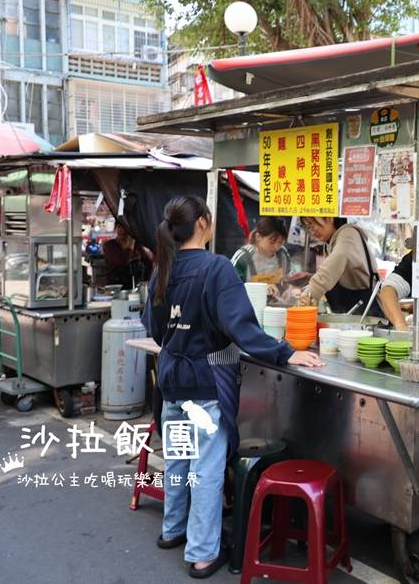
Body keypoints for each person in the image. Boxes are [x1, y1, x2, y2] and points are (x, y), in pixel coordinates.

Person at [142, 195, 322, 578]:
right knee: (206, 468)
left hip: (172, 380)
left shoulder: (163, 269)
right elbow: (242, 328)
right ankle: (204, 552)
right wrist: (285, 352)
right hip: (205, 384)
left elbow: (154, 329)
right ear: (204, 223)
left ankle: (172, 529)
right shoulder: (216, 268)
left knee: (177, 460)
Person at [297, 216, 381, 314]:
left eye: (313, 225)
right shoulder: (331, 242)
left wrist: (311, 291)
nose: (312, 232)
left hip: (369, 314)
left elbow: (333, 264)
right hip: (352, 316)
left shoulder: (348, 234)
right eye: (308, 228)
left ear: (330, 218)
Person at [229, 216, 291, 293]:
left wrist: (289, 290)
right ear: (258, 236)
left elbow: (288, 280)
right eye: (272, 241)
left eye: (280, 243)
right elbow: (230, 285)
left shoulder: (283, 254)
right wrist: (261, 288)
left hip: (276, 303)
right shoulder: (244, 256)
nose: (276, 247)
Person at [103, 221, 154, 290]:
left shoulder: (137, 245)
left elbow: (149, 263)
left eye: (126, 227)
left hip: (136, 287)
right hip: (116, 287)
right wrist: (130, 245)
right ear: (116, 228)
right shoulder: (109, 245)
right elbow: (123, 263)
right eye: (120, 227)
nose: (123, 230)